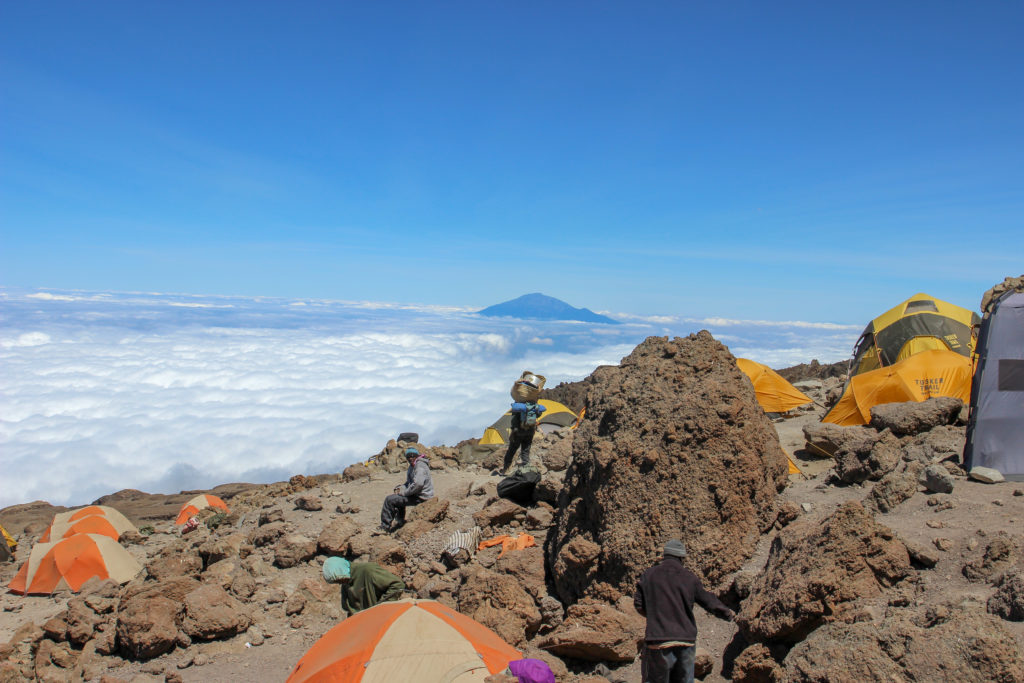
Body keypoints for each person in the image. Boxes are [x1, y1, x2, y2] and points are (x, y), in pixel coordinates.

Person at [633, 539, 735, 683]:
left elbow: (638, 604)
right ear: (682, 558)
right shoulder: (689, 577)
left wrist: (655, 617)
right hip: (685, 641)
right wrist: (727, 614)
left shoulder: (649, 575)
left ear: (665, 555)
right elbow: (708, 600)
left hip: (658, 641)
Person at [322, 557, 406, 616]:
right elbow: (348, 608)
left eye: (339, 580)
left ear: (342, 571)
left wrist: (381, 607)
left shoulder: (368, 570)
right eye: (337, 582)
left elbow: (397, 585)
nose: (340, 583)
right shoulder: (346, 582)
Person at [379, 446, 434, 532]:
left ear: (416, 456)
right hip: (417, 494)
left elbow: (418, 484)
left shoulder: (420, 466)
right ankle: (400, 521)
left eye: (412, 456)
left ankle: (384, 527)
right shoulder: (412, 466)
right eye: (408, 456)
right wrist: (401, 488)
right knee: (397, 498)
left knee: (389, 500)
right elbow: (409, 482)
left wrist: (404, 493)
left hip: (422, 497)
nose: (410, 458)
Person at [503, 401, 546, 473]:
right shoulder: (533, 406)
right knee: (526, 450)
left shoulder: (518, 407)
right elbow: (539, 414)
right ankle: (526, 468)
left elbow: (514, 420)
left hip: (518, 432)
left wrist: (513, 431)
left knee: (512, 450)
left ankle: (506, 469)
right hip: (530, 431)